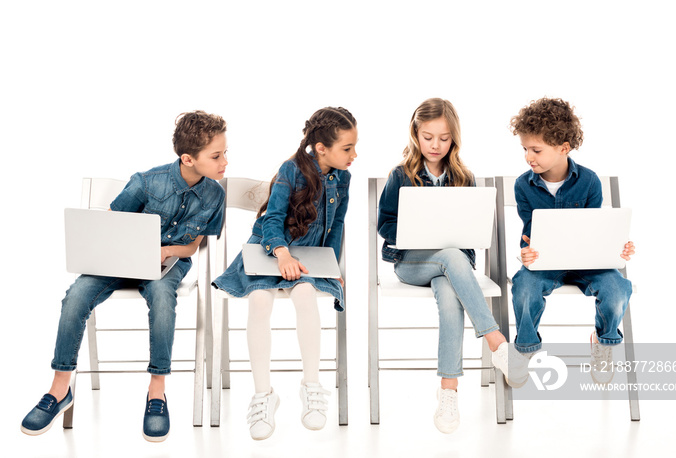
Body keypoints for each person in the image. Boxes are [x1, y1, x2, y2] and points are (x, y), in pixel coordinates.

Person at [21, 111, 228, 442]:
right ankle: (60, 389)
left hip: (168, 263)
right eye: (216, 156)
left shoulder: (215, 195)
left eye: (224, 153)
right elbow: (111, 224)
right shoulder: (147, 181)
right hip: (118, 260)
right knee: (75, 296)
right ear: (188, 158)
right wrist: (132, 253)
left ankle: (156, 391)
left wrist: (167, 252)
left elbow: (194, 245)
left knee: (162, 299)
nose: (224, 162)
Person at [212, 107, 357, 440]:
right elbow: (272, 220)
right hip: (271, 250)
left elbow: (335, 228)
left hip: (309, 258)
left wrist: (332, 266)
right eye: (347, 148)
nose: (354, 155)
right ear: (322, 148)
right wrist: (282, 254)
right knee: (260, 300)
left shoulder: (343, 179)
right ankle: (264, 395)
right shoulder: (290, 170)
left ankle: (311, 386)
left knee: (305, 294)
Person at [377, 98, 519, 435]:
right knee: (451, 257)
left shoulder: (463, 177)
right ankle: (497, 341)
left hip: (451, 270)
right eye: (428, 137)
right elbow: (384, 224)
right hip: (412, 263)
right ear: (415, 134)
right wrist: (414, 228)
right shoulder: (401, 175)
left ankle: (448, 390)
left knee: (450, 286)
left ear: (453, 137)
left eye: (443, 138)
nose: (435, 145)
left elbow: (473, 229)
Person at [509, 97, 635, 385]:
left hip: (586, 262)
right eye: (525, 149)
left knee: (617, 288)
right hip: (546, 263)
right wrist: (526, 251)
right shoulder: (522, 185)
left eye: (536, 150)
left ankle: (604, 341)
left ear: (563, 148)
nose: (529, 157)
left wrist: (619, 247)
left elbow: (597, 228)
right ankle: (526, 347)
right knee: (524, 288)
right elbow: (530, 232)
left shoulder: (589, 181)